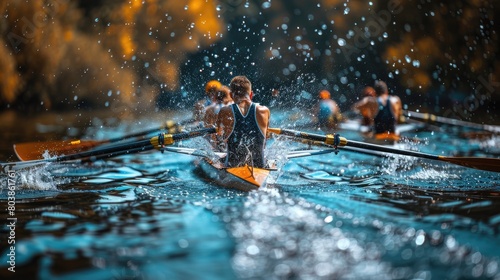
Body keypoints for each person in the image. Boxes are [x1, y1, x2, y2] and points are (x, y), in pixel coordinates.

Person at [215, 75, 270, 168]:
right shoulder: (264, 110)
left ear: (231, 95)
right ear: (251, 94)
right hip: (259, 166)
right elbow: (267, 136)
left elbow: (218, 137)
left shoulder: (225, 111)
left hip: (232, 166)